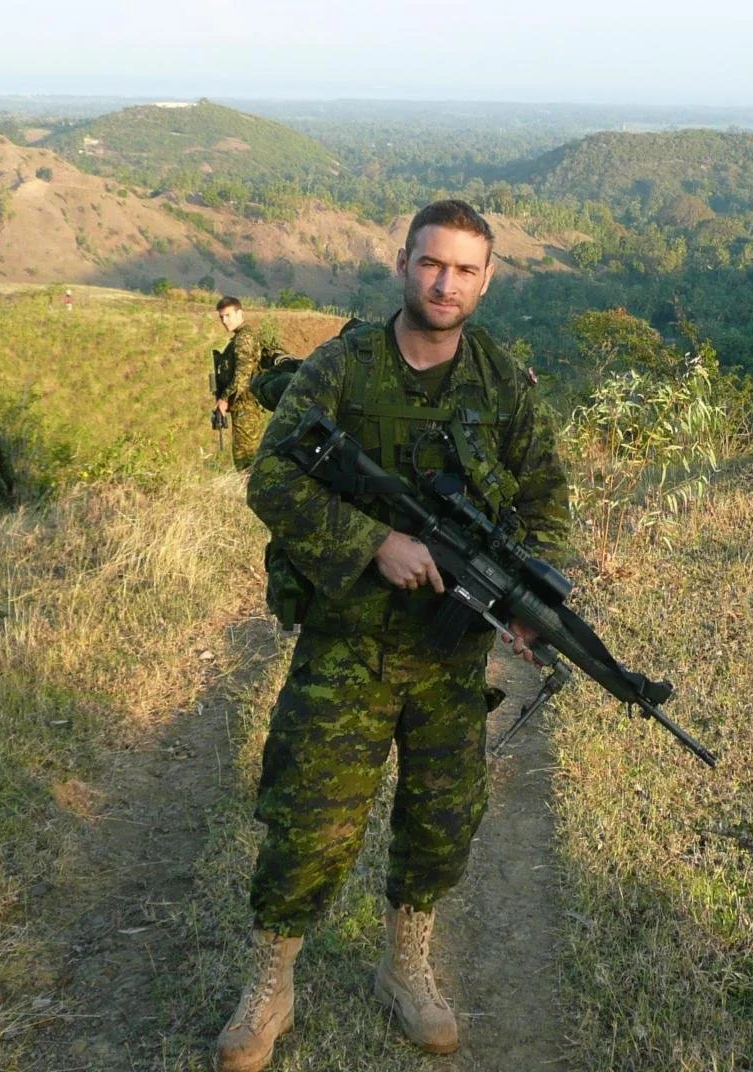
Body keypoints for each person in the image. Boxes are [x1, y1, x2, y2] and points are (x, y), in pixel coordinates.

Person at [215, 200, 570, 1071]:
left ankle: (405, 967)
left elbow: (545, 504)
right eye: (431, 263)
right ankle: (273, 983)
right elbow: (273, 479)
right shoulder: (341, 368)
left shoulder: (502, 385)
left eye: (464, 270)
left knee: (442, 819)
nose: (445, 283)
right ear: (402, 264)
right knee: (310, 818)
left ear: (486, 281)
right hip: (349, 642)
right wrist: (373, 542)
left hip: (451, 655)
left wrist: (525, 600)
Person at [213, 296, 275, 469]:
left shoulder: (243, 339)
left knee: (245, 460)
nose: (224, 321)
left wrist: (224, 400)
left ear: (240, 313)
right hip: (246, 405)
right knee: (248, 457)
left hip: (246, 407)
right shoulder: (241, 337)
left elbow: (242, 377)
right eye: (221, 317)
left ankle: (249, 494)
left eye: (228, 315)